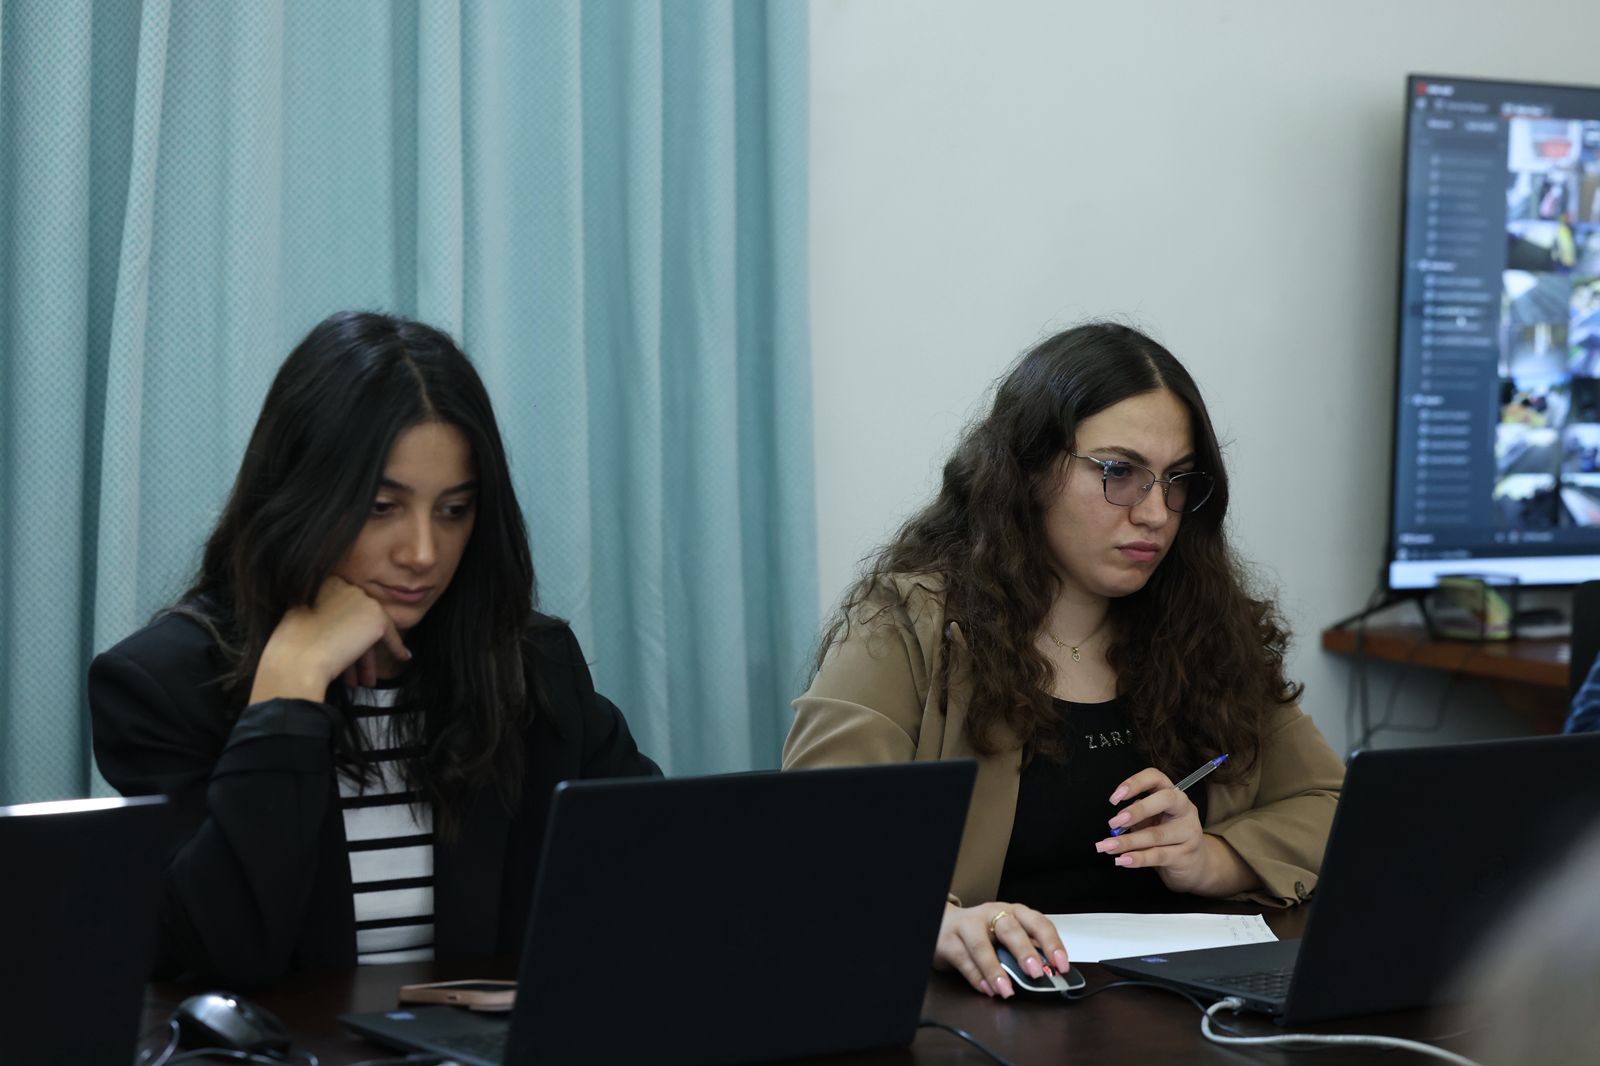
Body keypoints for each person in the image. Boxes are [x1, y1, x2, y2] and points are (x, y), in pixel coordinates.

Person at [90, 311, 658, 989]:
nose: (422, 553)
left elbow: (659, 875)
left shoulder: (531, 664)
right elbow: (218, 957)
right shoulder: (160, 684)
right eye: (382, 507)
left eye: (454, 510)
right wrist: (289, 687)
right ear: (301, 495)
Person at [783, 322, 1344, 1000]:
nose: (1155, 513)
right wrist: (939, 921)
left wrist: (1212, 859)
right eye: (1118, 472)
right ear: (1028, 469)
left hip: (1189, 1009)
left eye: (1176, 480)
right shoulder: (908, 624)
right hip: (995, 1008)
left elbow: (1332, 803)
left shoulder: (1205, 628)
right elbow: (814, 835)